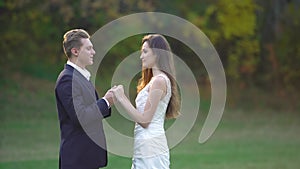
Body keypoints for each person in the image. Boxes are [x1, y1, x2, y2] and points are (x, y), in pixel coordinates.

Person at [111, 34, 180, 169]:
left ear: (157, 54)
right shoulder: (154, 81)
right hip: (144, 144)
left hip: (151, 146)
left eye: (145, 51)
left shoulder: (159, 81)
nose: (141, 56)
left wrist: (122, 98)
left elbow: (145, 120)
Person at [55, 29, 114, 169]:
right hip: (77, 159)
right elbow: (80, 116)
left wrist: (108, 102)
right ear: (75, 51)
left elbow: (91, 111)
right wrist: (106, 101)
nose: (93, 52)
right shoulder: (67, 79)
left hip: (88, 158)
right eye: (88, 48)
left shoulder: (81, 77)